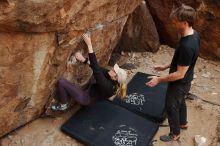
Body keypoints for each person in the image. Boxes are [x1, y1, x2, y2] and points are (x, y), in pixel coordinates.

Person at [146, 4, 200, 142]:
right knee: (180, 101)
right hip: (186, 80)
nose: (173, 23)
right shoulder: (194, 35)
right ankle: (183, 123)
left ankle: (174, 133)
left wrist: (159, 79)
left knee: (171, 107)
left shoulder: (187, 46)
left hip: (180, 83)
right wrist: (164, 67)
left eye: (175, 21)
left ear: (184, 23)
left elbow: (179, 74)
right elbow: (182, 62)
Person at [51, 33, 127, 111]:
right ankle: (78, 91)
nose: (111, 69)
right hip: (93, 89)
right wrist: (84, 60)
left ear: (115, 78)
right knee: (94, 76)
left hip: (87, 98)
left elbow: (97, 70)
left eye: (114, 71)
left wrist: (89, 45)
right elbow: (98, 68)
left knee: (62, 82)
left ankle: (64, 104)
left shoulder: (107, 86)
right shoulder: (112, 77)